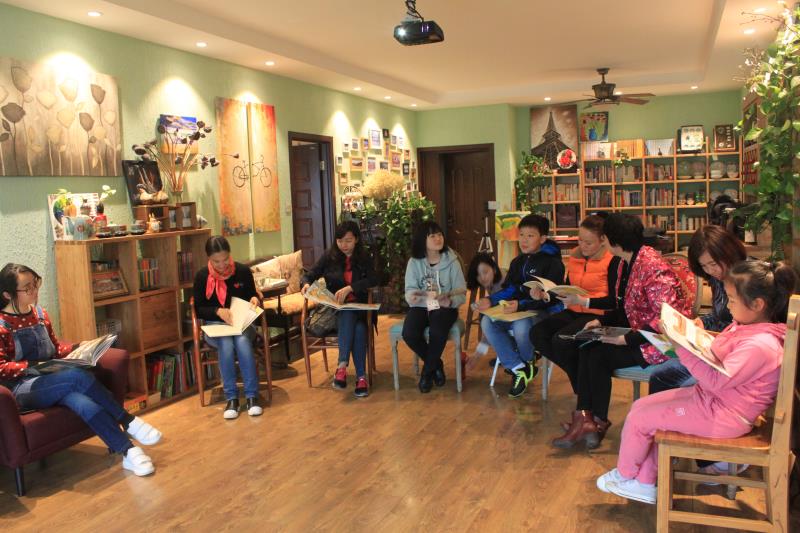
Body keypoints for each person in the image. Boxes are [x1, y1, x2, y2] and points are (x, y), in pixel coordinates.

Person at [597, 260, 798, 504]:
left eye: (732, 300)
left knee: (641, 419)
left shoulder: (761, 345)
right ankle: (644, 482)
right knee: (641, 408)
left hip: (725, 415)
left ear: (757, 304)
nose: (728, 305)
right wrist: (691, 334)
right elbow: (720, 356)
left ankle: (626, 475)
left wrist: (681, 345)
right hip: (713, 402)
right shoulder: (749, 328)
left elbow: (716, 380)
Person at [0, 264, 161, 477]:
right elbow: (2, 368)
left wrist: (81, 347)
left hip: (52, 379)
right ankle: (127, 420)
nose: (34, 290)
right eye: (27, 288)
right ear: (7, 294)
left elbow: (55, 349)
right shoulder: (2, 324)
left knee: (83, 402)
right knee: (76, 377)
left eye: (35, 283)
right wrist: (33, 367)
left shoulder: (40, 314)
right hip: (22, 389)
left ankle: (128, 452)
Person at [552, 213, 693, 449]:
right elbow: (622, 306)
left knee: (597, 355)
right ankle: (586, 419)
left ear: (613, 241)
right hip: (639, 332)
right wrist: (601, 322)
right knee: (586, 347)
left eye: (605, 237)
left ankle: (595, 422)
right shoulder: (626, 262)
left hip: (659, 341)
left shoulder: (653, 267)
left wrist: (626, 339)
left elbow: (666, 320)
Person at [530, 215, 623, 394]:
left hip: (598, 315)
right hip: (574, 310)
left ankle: (583, 390)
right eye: (580, 240)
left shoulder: (613, 260)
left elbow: (614, 300)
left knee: (561, 341)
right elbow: (567, 287)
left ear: (603, 240)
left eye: (588, 242)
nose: (582, 246)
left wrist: (583, 301)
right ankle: (583, 381)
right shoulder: (575, 256)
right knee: (537, 333)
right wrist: (545, 295)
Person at [648, 225, 747, 394]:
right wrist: (701, 321)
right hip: (715, 346)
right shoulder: (718, 277)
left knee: (677, 382)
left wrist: (714, 339)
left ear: (729, 252)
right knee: (660, 374)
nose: (710, 271)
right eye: (704, 266)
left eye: (713, 264)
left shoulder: (747, 280)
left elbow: (748, 328)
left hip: (733, 356)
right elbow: (719, 314)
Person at [475, 214, 565, 398]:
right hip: (518, 310)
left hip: (543, 313)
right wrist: (491, 300)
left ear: (542, 238)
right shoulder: (517, 262)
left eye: (530, 236)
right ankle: (520, 367)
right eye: (521, 235)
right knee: (487, 321)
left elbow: (551, 298)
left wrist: (521, 305)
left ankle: (527, 360)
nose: (524, 240)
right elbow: (511, 289)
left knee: (521, 326)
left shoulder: (554, 264)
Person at [301, 221, 378, 398]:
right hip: (335, 312)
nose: (344, 245)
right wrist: (305, 284)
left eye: (348, 241)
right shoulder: (329, 257)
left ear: (356, 239)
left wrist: (351, 288)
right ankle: (361, 378)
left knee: (352, 315)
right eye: (340, 241)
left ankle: (342, 366)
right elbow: (309, 275)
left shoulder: (363, 257)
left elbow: (375, 279)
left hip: (361, 309)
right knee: (358, 327)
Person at [193, 236, 263, 419]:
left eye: (225, 259)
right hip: (216, 326)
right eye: (216, 261)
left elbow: (252, 295)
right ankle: (231, 398)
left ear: (229, 254)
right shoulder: (202, 277)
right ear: (208, 258)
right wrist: (217, 311)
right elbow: (198, 309)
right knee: (225, 343)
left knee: (241, 341)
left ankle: (252, 396)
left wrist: (254, 299)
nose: (222, 265)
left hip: (242, 324)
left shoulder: (242, 271)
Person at [403, 221, 467, 393]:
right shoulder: (414, 262)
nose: (438, 239)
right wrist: (413, 297)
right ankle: (436, 364)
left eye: (439, 235)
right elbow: (409, 290)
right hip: (422, 306)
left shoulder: (452, 261)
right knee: (409, 333)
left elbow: (461, 292)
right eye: (432, 236)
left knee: (437, 330)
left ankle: (426, 373)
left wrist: (450, 302)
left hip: (445, 307)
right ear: (422, 240)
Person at [464, 252, 503, 368]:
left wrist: (477, 356)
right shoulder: (492, 282)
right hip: (507, 314)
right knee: (486, 318)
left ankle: (508, 354)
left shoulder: (501, 285)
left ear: (494, 269)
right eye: (478, 275)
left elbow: (492, 323)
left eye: (485, 272)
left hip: (521, 318)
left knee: (488, 321)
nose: (482, 278)